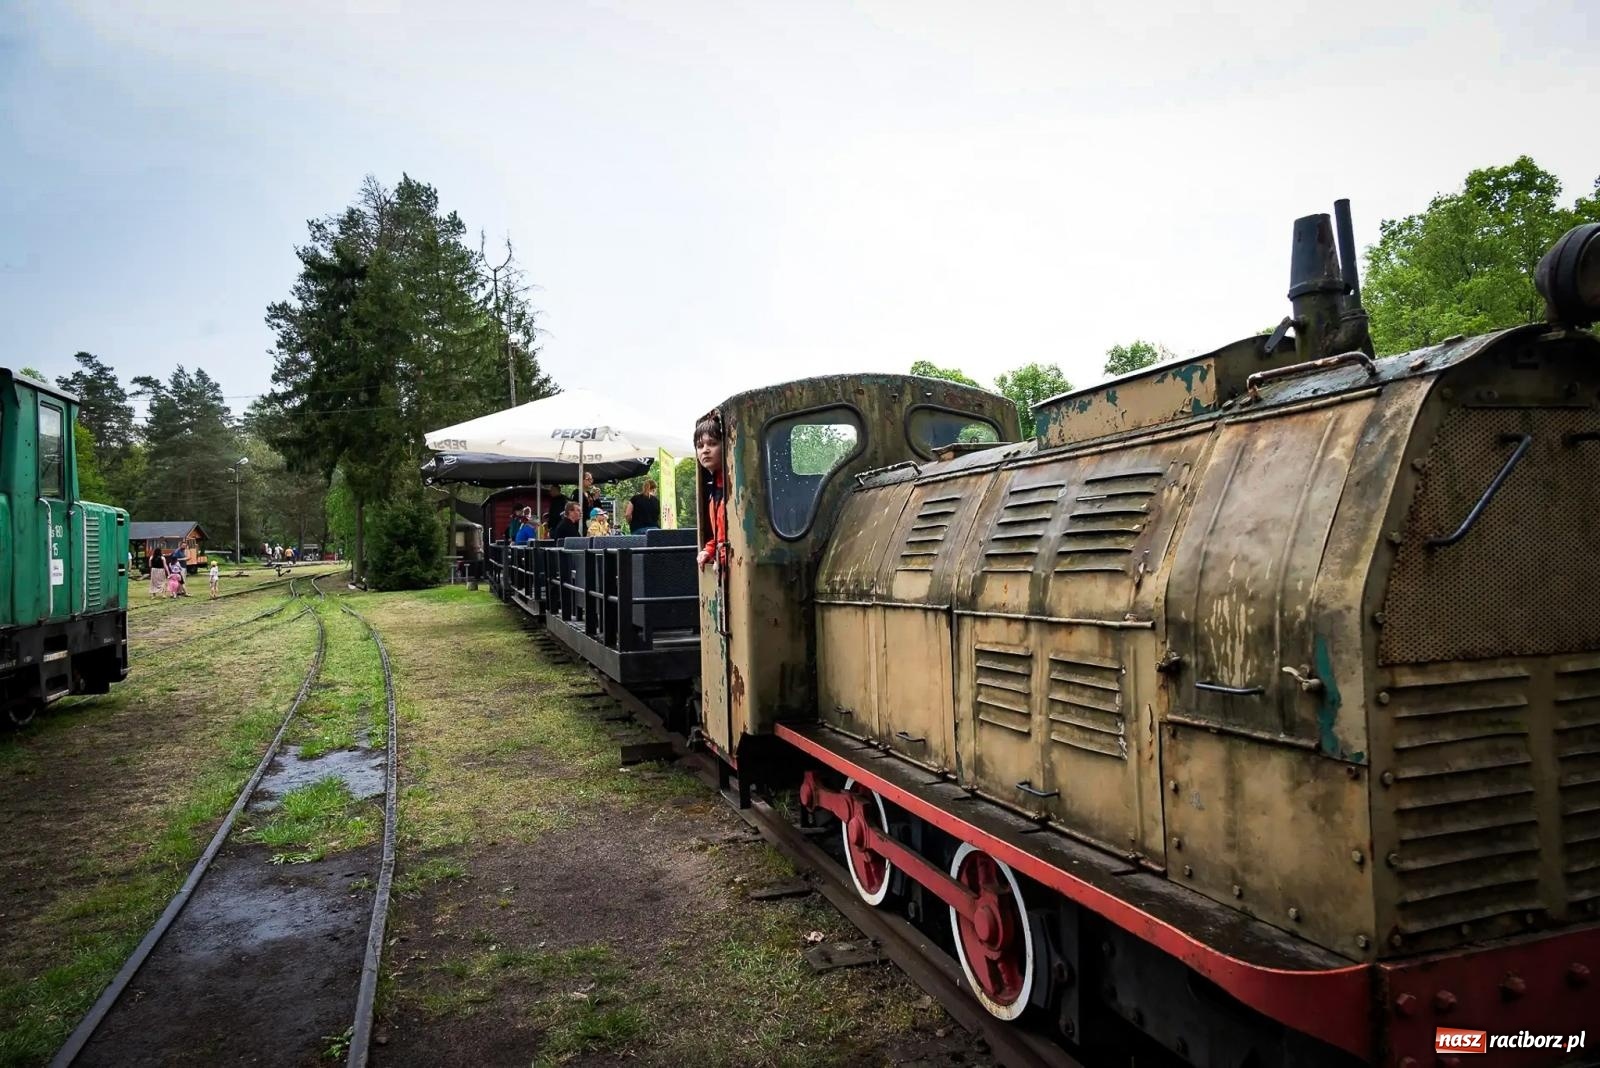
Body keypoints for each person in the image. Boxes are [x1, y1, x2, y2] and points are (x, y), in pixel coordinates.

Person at [695, 413, 727, 571]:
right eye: (700, 446)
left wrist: (721, 557)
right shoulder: (715, 488)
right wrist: (708, 550)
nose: (705, 450)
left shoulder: (731, 486)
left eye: (712, 444)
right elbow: (720, 535)